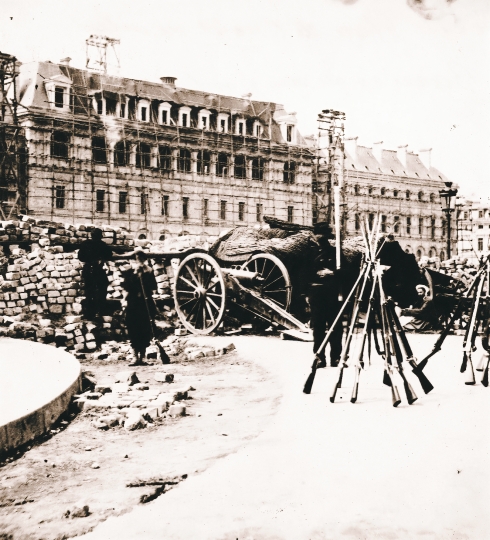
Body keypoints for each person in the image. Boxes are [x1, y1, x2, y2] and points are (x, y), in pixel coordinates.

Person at [307, 221, 343, 368]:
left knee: (335, 326)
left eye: (322, 236)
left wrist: (332, 273)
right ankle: (319, 357)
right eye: (317, 235)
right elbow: (303, 274)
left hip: (332, 293)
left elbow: (346, 273)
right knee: (318, 327)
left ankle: (336, 357)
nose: (319, 238)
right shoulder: (309, 253)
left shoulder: (336, 253)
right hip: (316, 294)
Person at [121, 250, 158, 366]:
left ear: (145, 260)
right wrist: (136, 275)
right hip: (133, 304)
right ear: (134, 260)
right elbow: (126, 288)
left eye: (142, 260)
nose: (139, 262)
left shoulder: (149, 271)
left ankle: (143, 357)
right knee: (133, 329)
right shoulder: (130, 272)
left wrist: (145, 276)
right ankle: (134, 357)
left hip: (145, 304)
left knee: (145, 329)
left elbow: (153, 287)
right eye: (137, 260)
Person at [78, 228, 113, 319]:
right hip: (98, 270)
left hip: (88, 270)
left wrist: (88, 259)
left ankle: (89, 313)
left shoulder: (85, 244)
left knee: (89, 292)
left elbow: (80, 257)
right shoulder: (103, 245)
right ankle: (100, 311)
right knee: (102, 290)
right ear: (100, 236)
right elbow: (109, 255)